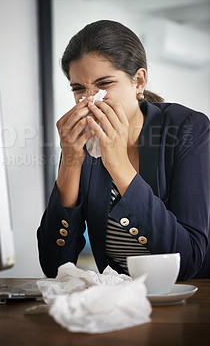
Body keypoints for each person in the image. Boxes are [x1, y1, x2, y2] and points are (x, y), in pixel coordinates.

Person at [37, 19, 210, 280]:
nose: (90, 100)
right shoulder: (83, 143)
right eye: (78, 89)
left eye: (104, 84)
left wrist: (117, 163)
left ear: (138, 81)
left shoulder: (187, 127)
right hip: (124, 298)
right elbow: (55, 266)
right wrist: (71, 160)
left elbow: (187, 262)